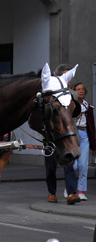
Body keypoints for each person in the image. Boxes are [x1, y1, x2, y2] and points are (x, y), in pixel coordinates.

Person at [44, 63, 81, 205]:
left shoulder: (73, 94)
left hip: (67, 136)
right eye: (64, 75)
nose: (68, 79)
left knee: (69, 164)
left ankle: (71, 193)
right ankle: (52, 193)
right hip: (52, 136)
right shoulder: (48, 93)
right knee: (50, 167)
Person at [71, 82, 96, 201]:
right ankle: (70, 188)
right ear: (74, 91)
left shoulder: (88, 107)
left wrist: (94, 145)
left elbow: (92, 127)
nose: (81, 91)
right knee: (73, 165)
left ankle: (81, 191)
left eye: (83, 89)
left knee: (83, 165)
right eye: (78, 89)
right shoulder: (70, 105)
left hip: (85, 135)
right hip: (73, 135)